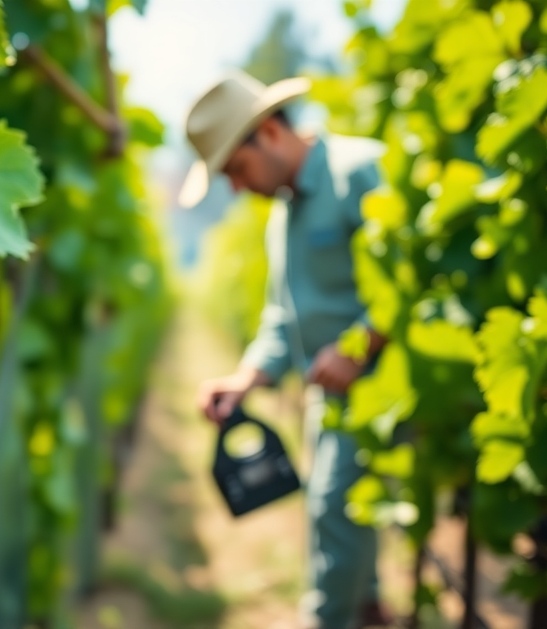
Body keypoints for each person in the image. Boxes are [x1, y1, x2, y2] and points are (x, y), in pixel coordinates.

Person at [181, 70, 392, 629]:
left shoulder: (359, 172)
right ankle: (367, 608)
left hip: (387, 390)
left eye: (235, 169)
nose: (236, 186)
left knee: (334, 510)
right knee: (343, 514)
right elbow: (282, 317)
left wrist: (361, 346)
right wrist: (245, 378)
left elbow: (415, 276)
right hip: (333, 395)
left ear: (269, 133)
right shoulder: (284, 215)